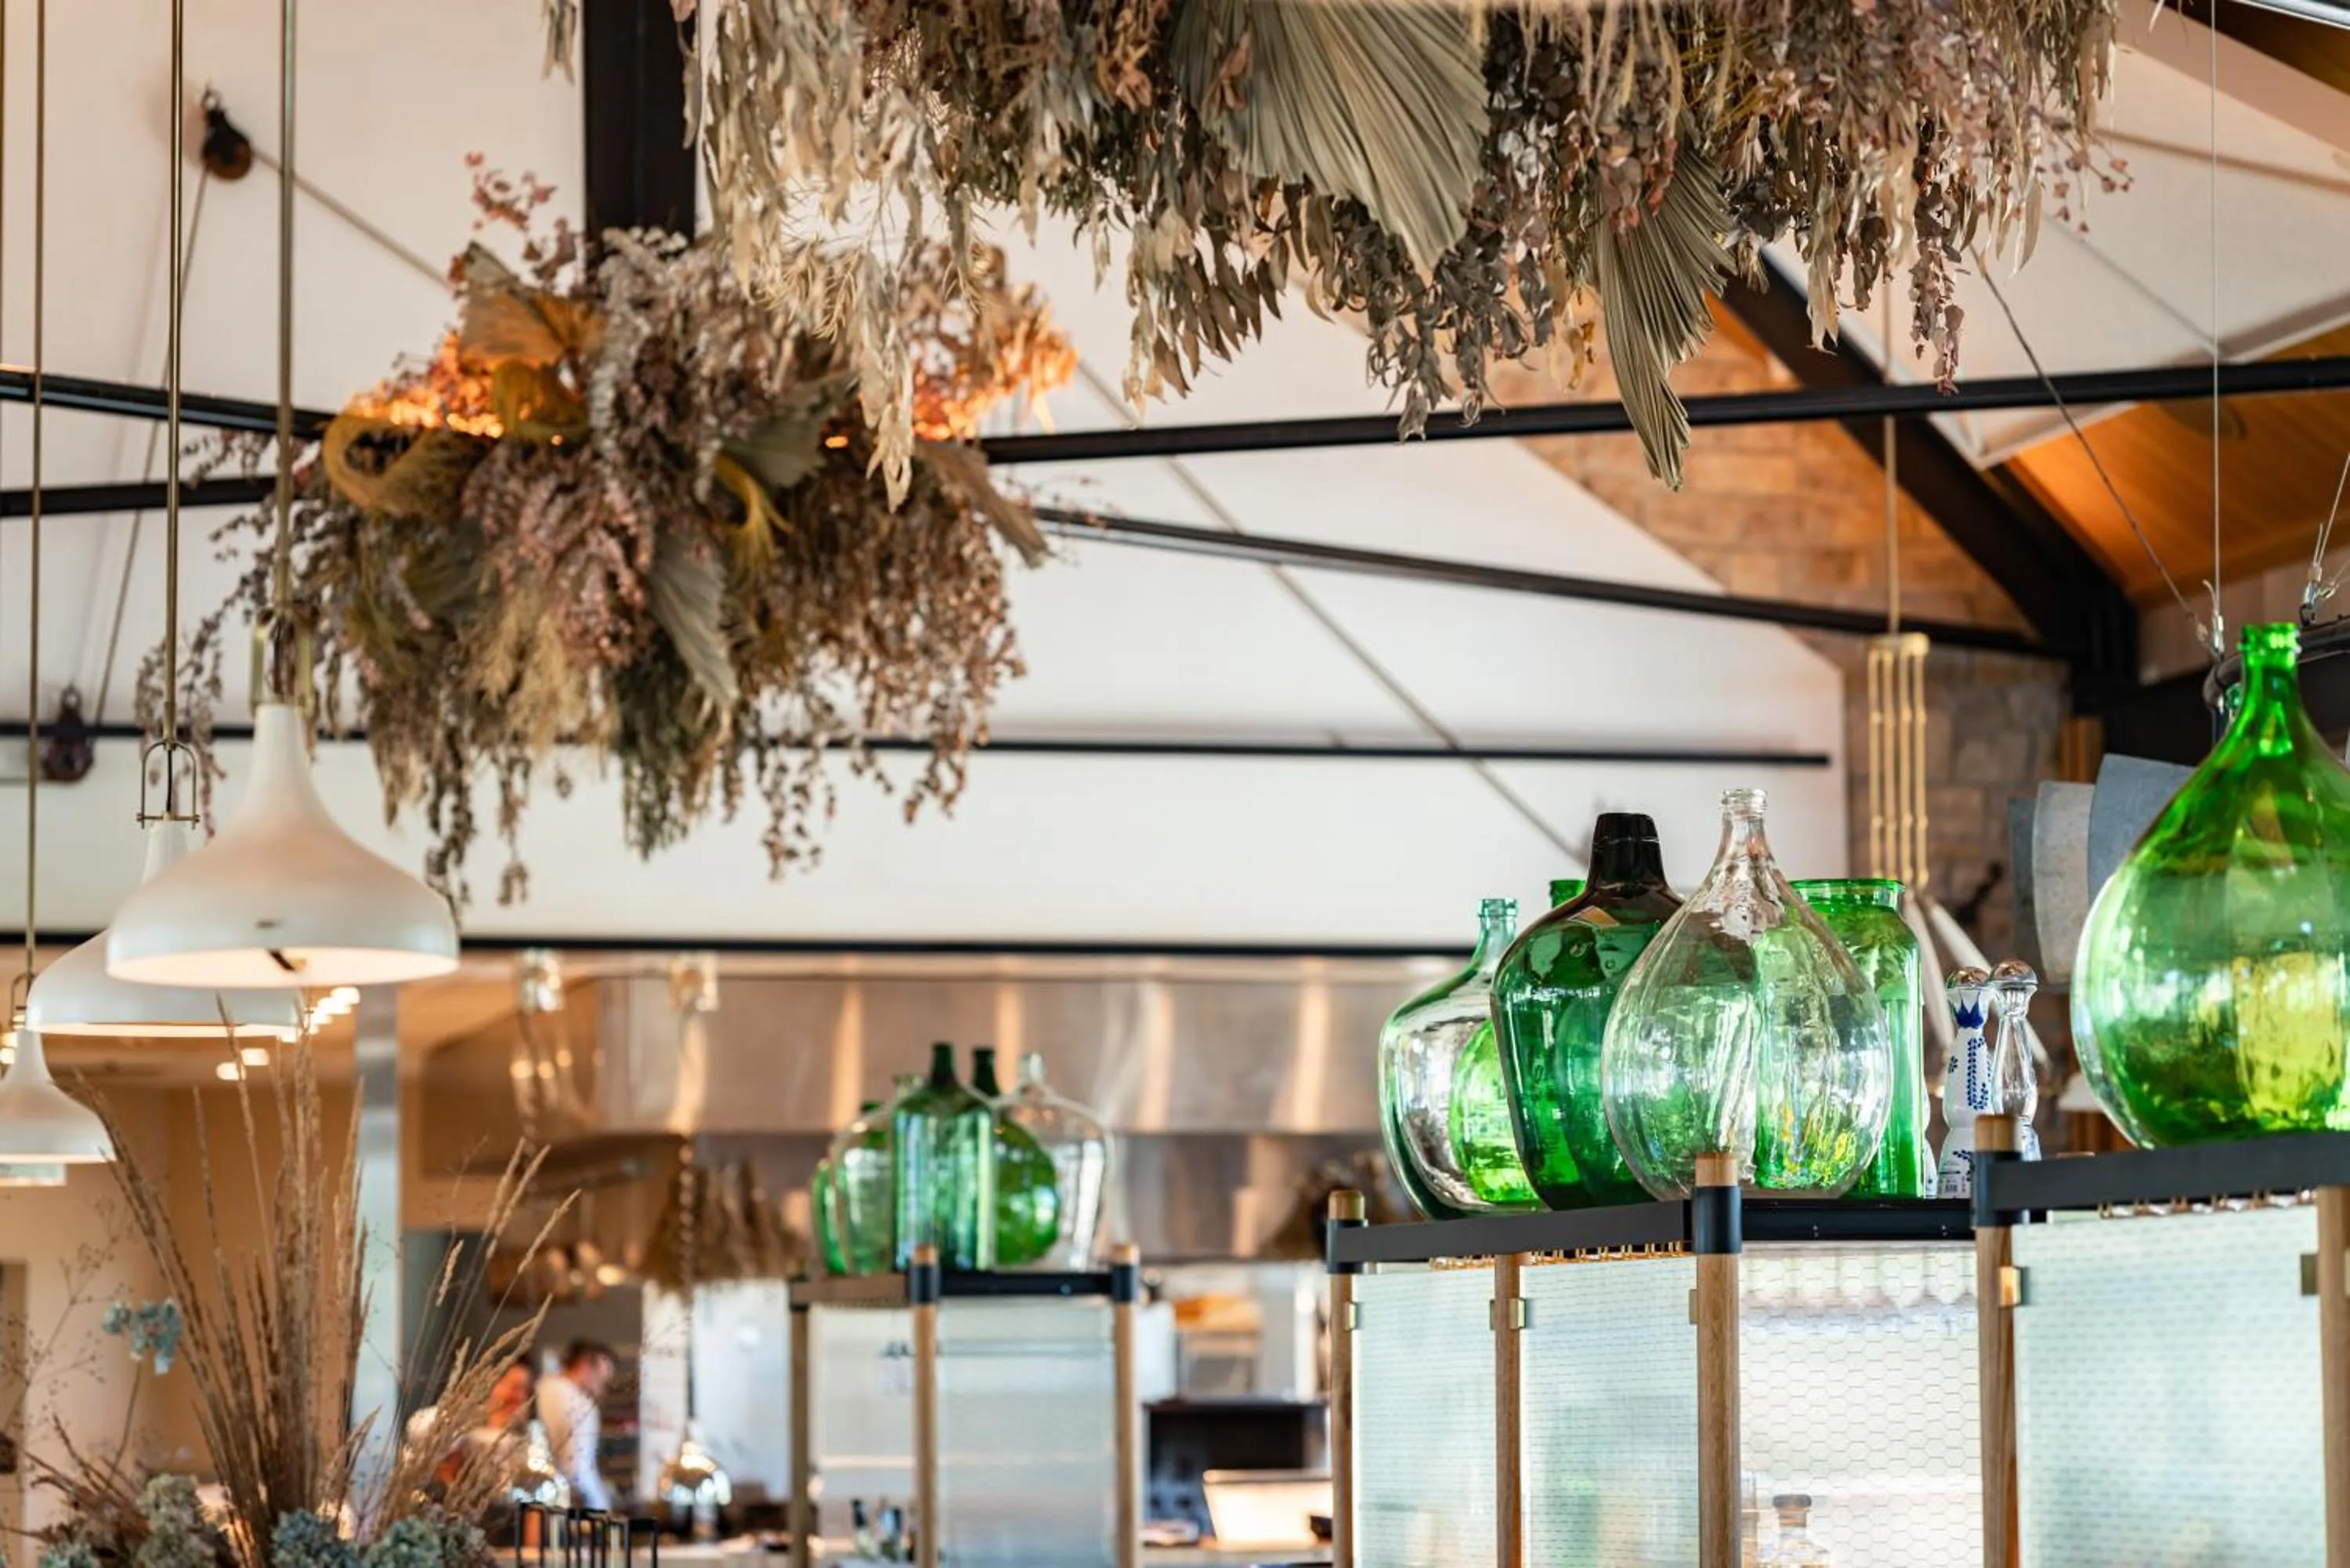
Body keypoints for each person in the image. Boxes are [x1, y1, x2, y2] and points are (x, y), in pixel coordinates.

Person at [538, 1339, 617, 1512]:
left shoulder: (541, 1389)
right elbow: (577, 1469)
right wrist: (601, 1505)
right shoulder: (582, 1405)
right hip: (575, 1508)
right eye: (602, 1379)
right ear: (584, 1365)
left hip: (540, 1497)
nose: (602, 1388)